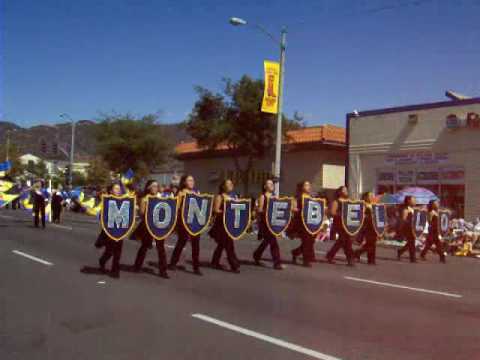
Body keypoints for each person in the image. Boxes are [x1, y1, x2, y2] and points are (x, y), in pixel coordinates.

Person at [132, 180, 169, 278]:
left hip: (159, 226)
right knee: (144, 246)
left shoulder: (161, 198)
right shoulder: (145, 199)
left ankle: (163, 270)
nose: (155, 188)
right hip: (148, 226)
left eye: (157, 186)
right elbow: (141, 213)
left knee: (161, 248)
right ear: (148, 187)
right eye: (153, 186)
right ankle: (137, 266)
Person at [168, 175, 203, 275]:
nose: (192, 182)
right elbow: (176, 208)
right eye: (189, 180)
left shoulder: (197, 193)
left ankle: (196, 267)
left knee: (196, 246)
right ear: (184, 182)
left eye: (193, 180)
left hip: (195, 223)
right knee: (181, 243)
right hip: (183, 222)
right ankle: (173, 263)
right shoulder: (181, 193)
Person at [209, 179, 240, 273]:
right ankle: (234, 264)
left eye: (231, 183)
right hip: (221, 225)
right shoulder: (220, 197)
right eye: (228, 184)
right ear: (223, 186)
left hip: (230, 224)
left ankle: (214, 262)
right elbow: (215, 210)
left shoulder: (234, 196)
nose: (231, 185)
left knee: (222, 245)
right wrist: (226, 212)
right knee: (229, 245)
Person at [253, 179, 284, 270]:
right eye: (269, 184)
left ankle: (257, 254)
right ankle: (277, 262)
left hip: (273, 222)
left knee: (267, 241)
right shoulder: (263, 197)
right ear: (265, 186)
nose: (272, 185)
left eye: (272, 184)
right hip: (265, 223)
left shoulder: (274, 197)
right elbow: (259, 209)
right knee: (273, 242)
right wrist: (268, 212)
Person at [98, 183, 125, 278]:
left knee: (118, 251)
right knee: (110, 251)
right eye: (116, 188)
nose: (118, 190)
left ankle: (115, 270)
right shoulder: (106, 200)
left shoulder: (124, 201)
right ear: (111, 191)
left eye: (119, 189)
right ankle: (102, 260)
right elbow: (101, 214)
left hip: (120, 229)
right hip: (109, 229)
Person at [290, 180, 318, 267]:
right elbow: (293, 208)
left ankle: (295, 252)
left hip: (310, 222)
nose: (308, 187)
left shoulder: (311, 197)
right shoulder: (297, 197)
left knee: (311, 241)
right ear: (302, 187)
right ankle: (306, 260)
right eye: (306, 185)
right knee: (306, 240)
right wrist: (302, 211)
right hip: (300, 222)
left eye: (309, 185)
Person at [326, 186, 355, 266]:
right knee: (345, 240)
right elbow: (332, 213)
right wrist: (342, 215)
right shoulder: (336, 202)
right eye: (344, 190)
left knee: (343, 241)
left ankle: (330, 255)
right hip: (339, 224)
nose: (346, 191)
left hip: (347, 224)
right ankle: (350, 259)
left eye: (346, 189)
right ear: (339, 192)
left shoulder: (349, 201)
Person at [354, 191, 378, 265]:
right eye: (370, 196)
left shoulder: (374, 205)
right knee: (371, 242)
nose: (372, 197)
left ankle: (357, 253)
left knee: (372, 243)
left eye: (372, 196)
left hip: (374, 226)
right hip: (367, 226)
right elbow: (361, 215)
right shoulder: (363, 205)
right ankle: (371, 260)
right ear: (365, 197)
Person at [397, 196, 417, 263]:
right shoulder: (405, 209)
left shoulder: (413, 209)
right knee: (412, 242)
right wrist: (400, 230)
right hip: (407, 228)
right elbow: (403, 220)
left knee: (411, 242)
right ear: (408, 201)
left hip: (413, 228)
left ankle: (400, 251)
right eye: (413, 200)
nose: (415, 201)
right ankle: (412, 258)